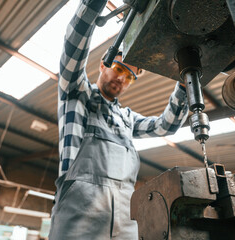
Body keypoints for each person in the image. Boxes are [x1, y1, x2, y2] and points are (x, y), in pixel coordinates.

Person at [49, 0, 189, 239]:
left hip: (125, 216)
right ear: (104, 64)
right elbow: (73, 48)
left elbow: (166, 126)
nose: (123, 79)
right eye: (120, 69)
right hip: (79, 210)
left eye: (130, 77)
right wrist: (93, 5)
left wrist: (185, 85)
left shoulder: (127, 118)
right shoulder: (77, 93)